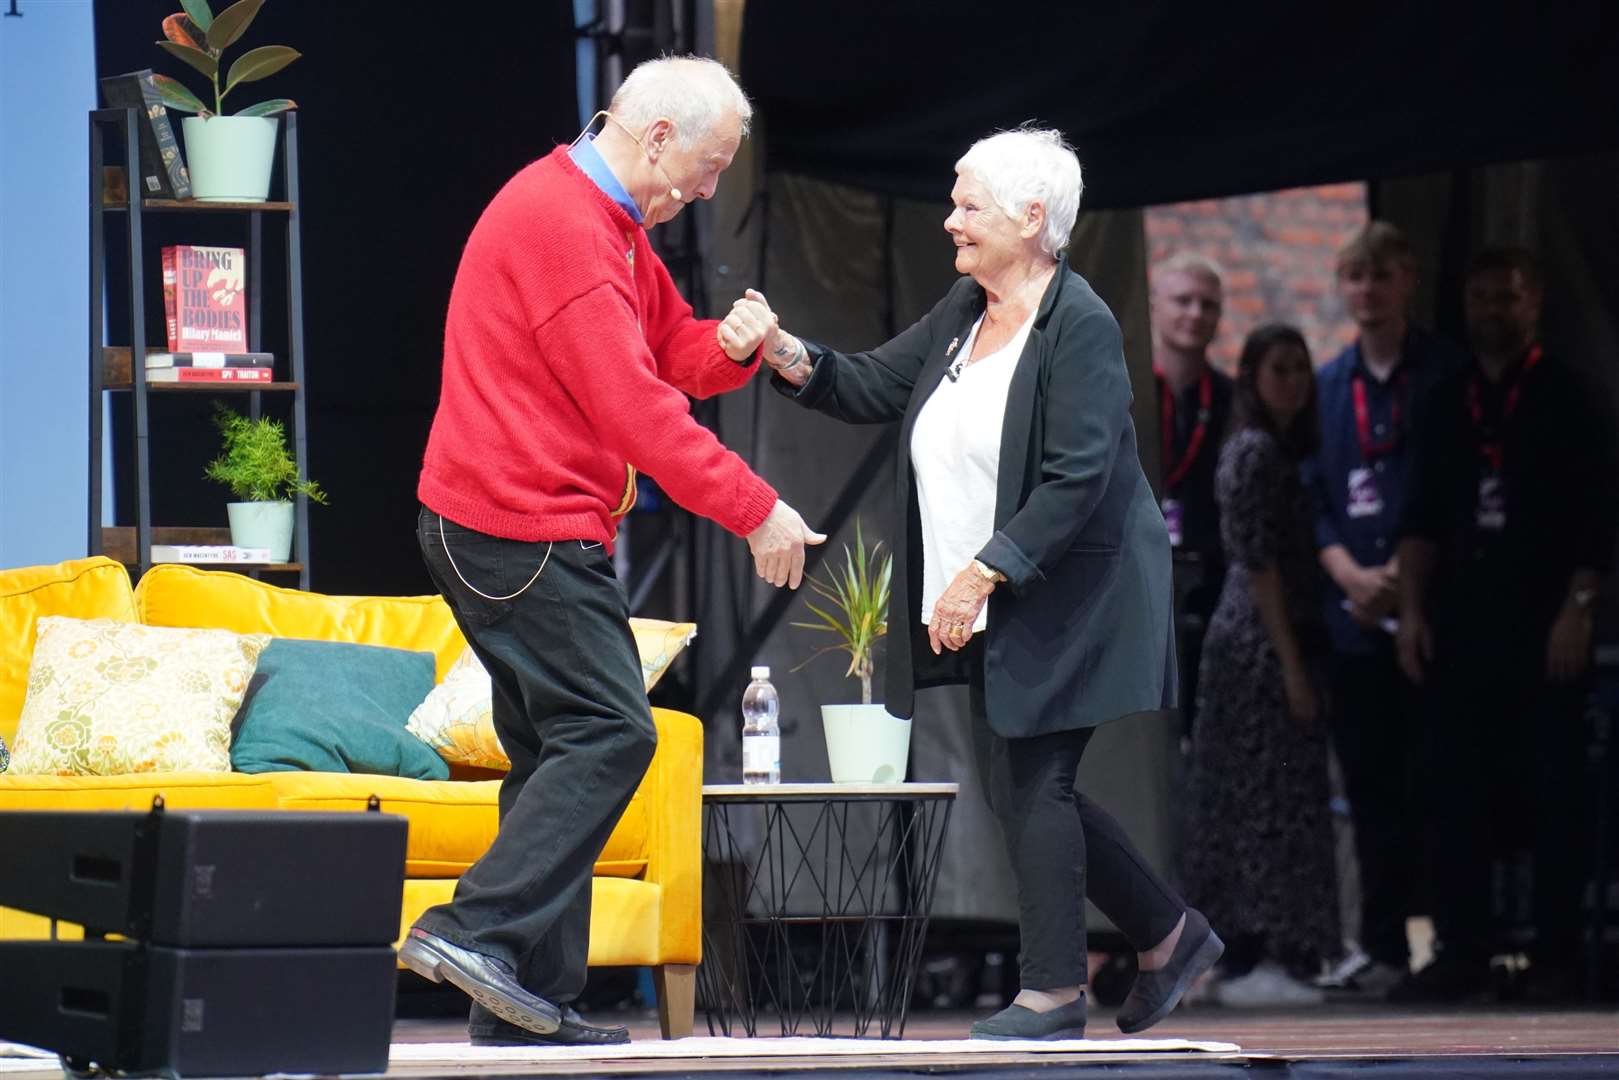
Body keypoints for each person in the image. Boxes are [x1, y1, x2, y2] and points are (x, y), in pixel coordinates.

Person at [753, 127, 1221, 1040]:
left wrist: (982, 573)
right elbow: (867, 385)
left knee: (1034, 780)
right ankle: (1168, 934)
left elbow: (1077, 476)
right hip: (996, 593)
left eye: (969, 204)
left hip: (1070, 590)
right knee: (1019, 786)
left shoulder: (1076, 321)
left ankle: (1052, 993)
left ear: (1031, 217)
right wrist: (781, 349)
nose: (951, 221)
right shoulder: (966, 309)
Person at [402, 56, 824, 1046]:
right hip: (515, 524)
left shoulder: (609, 224)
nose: (709, 189)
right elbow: (636, 412)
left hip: (512, 520)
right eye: (708, 167)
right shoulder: (564, 227)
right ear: (659, 136)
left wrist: (733, 343)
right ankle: (472, 930)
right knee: (610, 731)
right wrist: (753, 507)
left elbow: (669, 355)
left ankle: (525, 1004)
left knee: (554, 744)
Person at [1395, 247, 1618, 1002]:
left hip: (1544, 622)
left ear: (1534, 304)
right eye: (1481, 296)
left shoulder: (1570, 396)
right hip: (1459, 624)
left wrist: (1577, 610)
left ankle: (1554, 953)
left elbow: (1597, 520)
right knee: (1456, 788)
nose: (1493, 310)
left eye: (1508, 297)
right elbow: (1418, 517)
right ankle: (1464, 948)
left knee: (1553, 786)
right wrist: (1411, 613)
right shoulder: (1443, 396)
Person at [1305, 222, 1465, 995]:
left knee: (1439, 785)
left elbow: (1442, 491)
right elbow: (1313, 500)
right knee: (1368, 794)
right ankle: (1383, 948)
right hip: (1355, 617)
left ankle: (1452, 947)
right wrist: (1347, 576)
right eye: (1354, 276)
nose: (1366, 289)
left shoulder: (1443, 374)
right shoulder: (1329, 382)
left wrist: (1406, 581)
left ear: (1407, 281)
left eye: (1381, 275)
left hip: (1431, 613)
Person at [1182, 324, 1338, 1007]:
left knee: (1283, 794)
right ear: (1252, 376)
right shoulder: (1250, 453)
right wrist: (1291, 664)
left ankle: (1278, 950)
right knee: (1258, 799)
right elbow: (1260, 565)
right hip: (1257, 646)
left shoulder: (1281, 451)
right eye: (1279, 368)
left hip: (1277, 637)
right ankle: (1255, 948)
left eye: (1300, 369)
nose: (1294, 382)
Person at [1150, 254, 1235, 738]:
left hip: (1208, 579)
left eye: (1208, 305)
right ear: (1155, 305)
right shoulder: (1128, 391)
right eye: (1183, 300)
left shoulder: (1232, 399)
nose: (1195, 314)